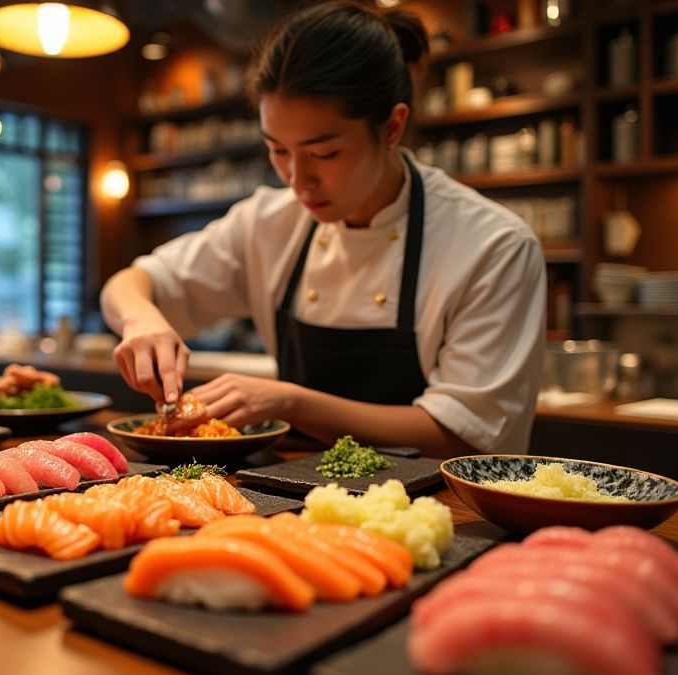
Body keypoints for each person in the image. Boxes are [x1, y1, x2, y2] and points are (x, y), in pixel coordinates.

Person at [101, 1, 546, 457]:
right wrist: (142, 320)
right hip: (290, 489)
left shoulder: (492, 245)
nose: (297, 179)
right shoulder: (270, 221)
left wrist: (290, 402)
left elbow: (466, 434)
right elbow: (131, 283)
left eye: (324, 154)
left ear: (392, 127)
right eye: (278, 151)